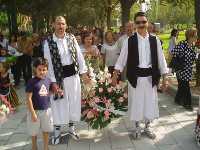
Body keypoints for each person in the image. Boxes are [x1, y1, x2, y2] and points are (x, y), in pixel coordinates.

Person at [112, 12, 168, 139]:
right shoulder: (129, 41)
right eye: (138, 22)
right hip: (135, 78)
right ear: (135, 24)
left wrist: (165, 78)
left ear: (147, 23)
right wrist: (115, 75)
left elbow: (161, 60)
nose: (141, 24)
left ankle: (147, 127)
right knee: (136, 103)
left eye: (143, 22)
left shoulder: (155, 40)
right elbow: (121, 59)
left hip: (150, 78)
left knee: (150, 103)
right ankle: (137, 127)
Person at [43, 16, 89, 144]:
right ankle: (57, 133)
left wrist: (83, 73)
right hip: (58, 79)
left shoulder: (71, 38)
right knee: (58, 105)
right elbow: (49, 64)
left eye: (63, 24)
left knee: (73, 102)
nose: (60, 27)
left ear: (66, 25)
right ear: (53, 25)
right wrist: (52, 82)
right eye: (58, 24)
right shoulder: (49, 41)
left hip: (73, 77)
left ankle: (71, 129)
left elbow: (79, 56)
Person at [26, 58, 55, 150]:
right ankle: (34, 147)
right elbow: (28, 98)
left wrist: (56, 91)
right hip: (35, 111)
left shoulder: (48, 80)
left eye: (44, 69)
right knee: (33, 131)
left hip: (46, 110)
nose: (42, 72)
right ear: (35, 69)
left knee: (46, 130)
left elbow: (48, 92)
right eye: (39, 69)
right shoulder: (31, 82)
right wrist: (33, 113)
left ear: (47, 70)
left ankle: (46, 147)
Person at [171, 28, 199, 111]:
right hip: (181, 70)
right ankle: (188, 104)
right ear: (190, 36)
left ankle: (177, 99)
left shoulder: (193, 46)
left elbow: (195, 57)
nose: (197, 37)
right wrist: (178, 62)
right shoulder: (182, 44)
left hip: (188, 70)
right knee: (186, 87)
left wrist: (196, 55)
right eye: (195, 35)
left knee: (181, 86)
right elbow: (173, 53)